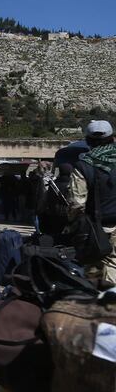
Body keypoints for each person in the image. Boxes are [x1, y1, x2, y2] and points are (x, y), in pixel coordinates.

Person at [68, 120, 116, 286]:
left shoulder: (83, 166)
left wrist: (73, 223)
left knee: (100, 268)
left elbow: (77, 203)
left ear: (88, 141)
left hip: (98, 229)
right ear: (113, 139)